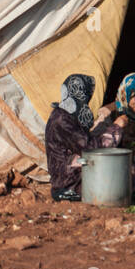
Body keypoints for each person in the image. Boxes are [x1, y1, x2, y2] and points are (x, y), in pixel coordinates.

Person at [43, 73, 122, 201]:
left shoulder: (65, 114)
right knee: (125, 175)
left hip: (70, 173)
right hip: (68, 182)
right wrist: (117, 127)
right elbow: (92, 150)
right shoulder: (62, 120)